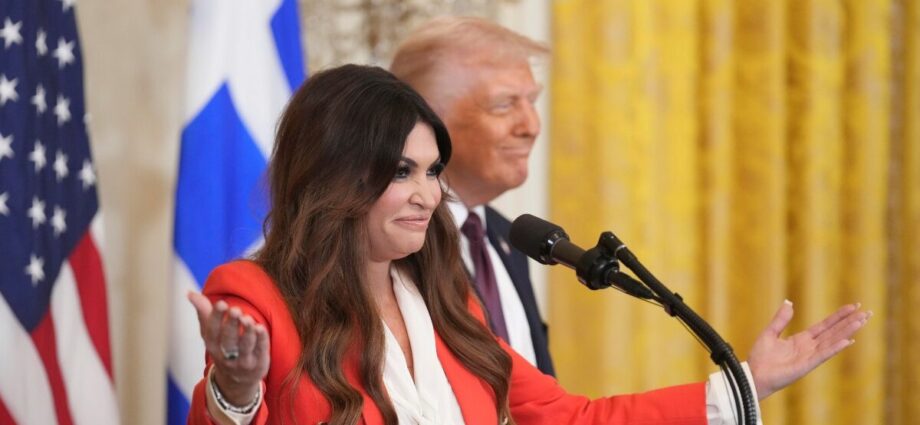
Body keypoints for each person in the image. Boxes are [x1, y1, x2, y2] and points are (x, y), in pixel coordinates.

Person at [186, 64, 870, 425]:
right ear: (336, 174)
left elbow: (575, 418)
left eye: (432, 171)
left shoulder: (445, 303)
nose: (428, 194)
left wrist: (747, 383)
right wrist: (235, 392)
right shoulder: (254, 298)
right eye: (400, 172)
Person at [390, 17, 555, 375]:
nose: (531, 126)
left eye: (531, 101)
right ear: (427, 119)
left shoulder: (509, 238)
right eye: (504, 105)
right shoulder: (392, 246)